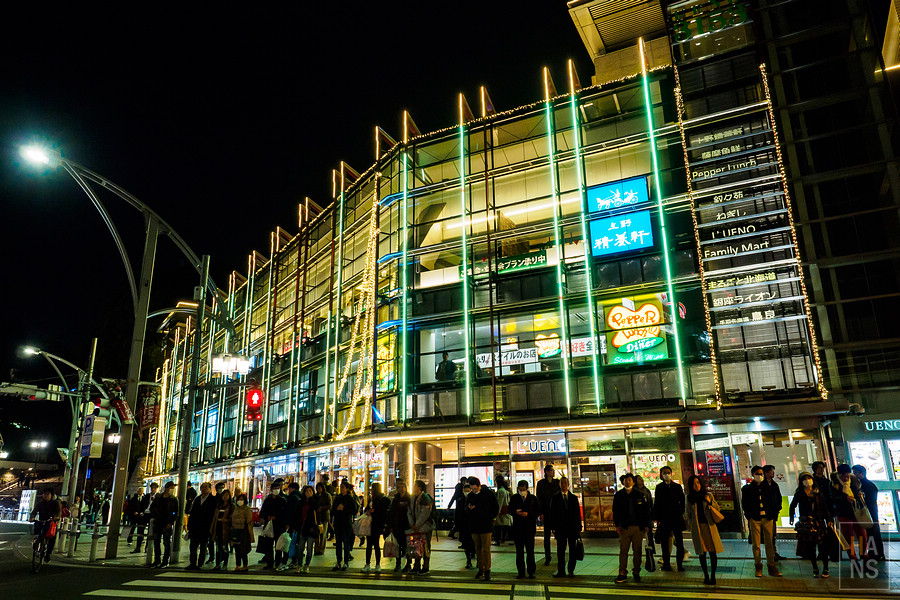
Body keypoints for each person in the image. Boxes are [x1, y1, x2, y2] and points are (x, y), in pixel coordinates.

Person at [789, 472, 833, 578]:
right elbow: (793, 505)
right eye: (804, 479)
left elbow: (824, 507)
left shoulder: (818, 492)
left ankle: (826, 568)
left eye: (809, 478)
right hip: (807, 522)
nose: (807, 480)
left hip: (819, 521)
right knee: (811, 546)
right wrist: (791, 517)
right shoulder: (800, 492)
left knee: (823, 546)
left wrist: (829, 519)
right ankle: (815, 567)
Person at [741, 465, 781, 577]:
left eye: (761, 474)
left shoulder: (768, 486)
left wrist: (774, 514)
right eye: (757, 474)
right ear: (753, 475)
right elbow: (745, 504)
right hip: (755, 518)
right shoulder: (747, 488)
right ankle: (758, 566)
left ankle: (771, 566)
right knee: (756, 544)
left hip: (768, 518)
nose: (760, 476)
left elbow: (776, 500)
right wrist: (749, 516)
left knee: (769, 543)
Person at [685, 475, 724, 585]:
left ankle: (713, 575)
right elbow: (688, 514)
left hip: (709, 527)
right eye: (693, 483)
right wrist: (691, 525)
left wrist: (710, 502)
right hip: (698, 528)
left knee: (712, 552)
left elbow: (717, 509)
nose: (696, 485)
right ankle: (706, 575)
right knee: (702, 553)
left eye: (698, 482)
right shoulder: (689, 498)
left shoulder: (708, 495)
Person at [612, 473, 650, 584]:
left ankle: (636, 572)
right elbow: (616, 511)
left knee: (637, 551)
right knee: (623, 551)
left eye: (629, 480)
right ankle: (622, 573)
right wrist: (617, 525)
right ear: (622, 482)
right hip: (624, 527)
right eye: (625, 480)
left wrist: (646, 525)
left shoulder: (639, 494)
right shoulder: (619, 495)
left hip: (638, 527)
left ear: (633, 482)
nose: (627, 481)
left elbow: (645, 511)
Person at [832, 464, 867, 562]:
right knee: (848, 537)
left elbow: (859, 491)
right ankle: (853, 558)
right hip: (843, 513)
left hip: (857, 512)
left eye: (848, 476)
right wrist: (844, 498)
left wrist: (859, 494)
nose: (846, 478)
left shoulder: (854, 481)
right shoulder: (833, 484)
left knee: (862, 535)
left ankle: (864, 556)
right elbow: (832, 498)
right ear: (839, 475)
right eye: (844, 476)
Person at [467, 476, 499, 581]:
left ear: (479, 485)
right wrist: (469, 509)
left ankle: (487, 570)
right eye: (471, 489)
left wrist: (489, 517)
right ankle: (480, 569)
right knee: (478, 549)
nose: (473, 490)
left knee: (486, 548)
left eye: (475, 488)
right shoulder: (470, 496)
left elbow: (495, 507)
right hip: (474, 525)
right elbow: (465, 508)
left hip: (485, 525)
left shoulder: (488, 494)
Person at [654, 466, 685, 572]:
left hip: (676, 518)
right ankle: (666, 564)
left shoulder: (677, 487)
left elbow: (682, 501)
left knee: (679, 543)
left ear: (671, 474)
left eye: (668, 472)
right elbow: (657, 504)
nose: (666, 474)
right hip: (664, 520)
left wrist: (680, 512)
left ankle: (679, 564)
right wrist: (658, 519)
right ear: (661, 475)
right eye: (664, 473)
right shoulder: (659, 487)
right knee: (664, 543)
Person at [852, 464, 885, 561]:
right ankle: (874, 554)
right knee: (870, 534)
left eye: (856, 473)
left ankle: (877, 554)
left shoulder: (868, 486)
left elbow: (871, 501)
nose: (854, 475)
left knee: (873, 534)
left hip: (870, 513)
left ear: (862, 474)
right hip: (867, 513)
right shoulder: (858, 485)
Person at [509, 479, 540, 579]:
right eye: (520, 489)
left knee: (530, 551)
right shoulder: (514, 498)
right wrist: (516, 512)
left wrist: (529, 514)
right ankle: (521, 572)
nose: (522, 491)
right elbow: (510, 510)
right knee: (519, 551)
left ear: (527, 489)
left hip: (529, 528)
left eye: (524, 489)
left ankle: (531, 571)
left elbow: (538, 511)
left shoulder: (532, 498)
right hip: (518, 528)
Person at [407, 479, 435, 574]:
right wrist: (412, 524)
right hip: (416, 526)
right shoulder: (412, 498)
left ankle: (426, 566)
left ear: (419, 487)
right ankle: (416, 565)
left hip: (425, 526)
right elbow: (409, 511)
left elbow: (425, 514)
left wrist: (417, 524)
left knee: (425, 545)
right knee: (416, 545)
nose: (413, 487)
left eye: (415, 485)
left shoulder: (425, 498)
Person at [186, 482, 217, 570]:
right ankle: (192, 563)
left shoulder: (212, 500)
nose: (203, 489)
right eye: (202, 487)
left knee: (203, 546)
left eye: (206, 487)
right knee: (193, 546)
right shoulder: (197, 499)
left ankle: (200, 563)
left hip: (205, 527)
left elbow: (213, 514)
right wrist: (190, 525)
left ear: (210, 489)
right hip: (195, 527)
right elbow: (193, 513)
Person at [259, 481, 288, 570]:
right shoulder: (268, 500)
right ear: (271, 490)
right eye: (275, 489)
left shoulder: (282, 500)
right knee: (268, 545)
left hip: (279, 526)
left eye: (278, 488)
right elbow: (262, 512)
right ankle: (269, 563)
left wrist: (277, 517)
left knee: (278, 545)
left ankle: (278, 562)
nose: (276, 490)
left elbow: (285, 513)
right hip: (269, 526)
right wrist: (266, 517)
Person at [536, 464, 560, 566]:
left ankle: (560, 556)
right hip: (546, 512)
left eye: (553, 470)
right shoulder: (541, 484)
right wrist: (540, 512)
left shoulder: (556, 483)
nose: (553, 472)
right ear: (546, 472)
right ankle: (547, 557)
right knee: (546, 537)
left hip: (556, 513)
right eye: (551, 470)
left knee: (559, 535)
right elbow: (539, 498)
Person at [150, 481, 178, 568]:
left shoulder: (173, 499)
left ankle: (165, 561)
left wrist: (171, 522)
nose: (172, 490)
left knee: (166, 543)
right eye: (171, 488)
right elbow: (152, 508)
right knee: (156, 541)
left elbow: (175, 512)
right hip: (158, 522)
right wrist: (156, 515)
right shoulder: (158, 497)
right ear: (167, 488)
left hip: (167, 523)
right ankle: (157, 560)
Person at [363, 482, 391, 572]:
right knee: (372, 545)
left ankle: (375, 564)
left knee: (373, 545)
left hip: (376, 524)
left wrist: (372, 511)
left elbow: (381, 512)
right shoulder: (373, 499)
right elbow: (366, 509)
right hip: (371, 525)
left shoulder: (381, 500)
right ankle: (372, 564)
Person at [332, 480, 358, 571]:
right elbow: (333, 510)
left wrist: (344, 508)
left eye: (343, 487)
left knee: (346, 543)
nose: (341, 489)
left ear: (347, 489)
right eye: (340, 487)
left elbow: (354, 511)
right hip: (338, 523)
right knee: (338, 544)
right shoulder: (338, 498)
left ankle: (346, 562)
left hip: (346, 523)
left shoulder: (350, 498)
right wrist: (337, 509)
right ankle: (338, 561)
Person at [292, 485, 319, 573]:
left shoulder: (314, 502)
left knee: (310, 549)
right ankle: (299, 564)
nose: (308, 493)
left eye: (310, 491)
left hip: (311, 529)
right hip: (302, 529)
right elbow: (296, 515)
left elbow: (317, 514)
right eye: (307, 491)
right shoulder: (300, 502)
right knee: (300, 548)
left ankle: (307, 565)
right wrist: (295, 527)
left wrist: (311, 499)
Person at [29, 488, 60, 560]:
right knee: (37, 532)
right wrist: (32, 517)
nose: (45, 495)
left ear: (51, 495)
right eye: (44, 494)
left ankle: (48, 554)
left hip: (51, 522)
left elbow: (58, 512)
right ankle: (36, 543)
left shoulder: (55, 503)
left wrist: (56, 517)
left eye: (47, 494)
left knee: (52, 537)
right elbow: (34, 512)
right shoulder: (40, 504)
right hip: (41, 521)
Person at [762, 465, 785, 561]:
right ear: (766, 473)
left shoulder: (774, 485)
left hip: (774, 513)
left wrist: (778, 508)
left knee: (773, 534)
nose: (773, 473)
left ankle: (774, 552)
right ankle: (771, 554)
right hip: (766, 514)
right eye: (771, 471)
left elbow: (779, 497)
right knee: (769, 536)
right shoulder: (762, 485)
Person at [388, 480, 412, 572]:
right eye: (399, 487)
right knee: (397, 546)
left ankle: (408, 564)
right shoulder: (395, 498)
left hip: (406, 525)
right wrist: (390, 525)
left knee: (407, 546)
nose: (401, 489)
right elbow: (392, 512)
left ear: (406, 488)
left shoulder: (409, 498)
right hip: (397, 525)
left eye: (402, 487)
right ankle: (398, 564)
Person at [210, 487, 234, 571]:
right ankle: (217, 564)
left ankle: (225, 564)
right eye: (223, 495)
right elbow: (214, 518)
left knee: (224, 547)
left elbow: (232, 519)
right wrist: (212, 529)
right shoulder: (219, 506)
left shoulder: (231, 506)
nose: (225, 497)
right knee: (218, 547)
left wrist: (226, 520)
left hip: (226, 529)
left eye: (226, 495)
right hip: (218, 528)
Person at [129, 483, 157, 553]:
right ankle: (138, 547)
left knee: (150, 532)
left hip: (152, 515)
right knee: (140, 530)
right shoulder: (147, 496)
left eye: (154, 488)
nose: (153, 489)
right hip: (145, 514)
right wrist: (141, 512)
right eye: (152, 488)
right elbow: (142, 504)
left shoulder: (158, 497)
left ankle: (147, 547)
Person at [230, 492, 255, 572]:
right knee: (237, 549)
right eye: (239, 499)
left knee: (243, 549)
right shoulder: (236, 509)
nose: (240, 501)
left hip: (243, 531)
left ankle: (245, 565)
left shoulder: (247, 509)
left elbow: (249, 520)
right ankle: (238, 565)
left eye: (241, 500)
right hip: (235, 530)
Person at [456, 482, 476, 568]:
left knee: (474, 543)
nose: (466, 492)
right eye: (465, 490)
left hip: (473, 524)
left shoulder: (474, 499)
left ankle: (474, 556)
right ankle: (468, 560)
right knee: (466, 543)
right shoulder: (460, 501)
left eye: (468, 490)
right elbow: (457, 513)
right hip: (464, 525)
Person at [283, 482, 303, 570]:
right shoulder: (301, 497)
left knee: (292, 543)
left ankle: (294, 561)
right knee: (297, 542)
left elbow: (290, 512)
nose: (289, 490)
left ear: (293, 489)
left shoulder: (292, 498)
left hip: (293, 524)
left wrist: (289, 524)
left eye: (289, 488)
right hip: (299, 524)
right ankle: (296, 560)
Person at [493, 475, 512, 546]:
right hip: (506, 510)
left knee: (498, 527)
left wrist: (497, 512)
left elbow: (499, 502)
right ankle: (503, 539)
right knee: (505, 526)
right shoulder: (506, 491)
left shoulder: (500, 491)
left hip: (501, 511)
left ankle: (498, 540)